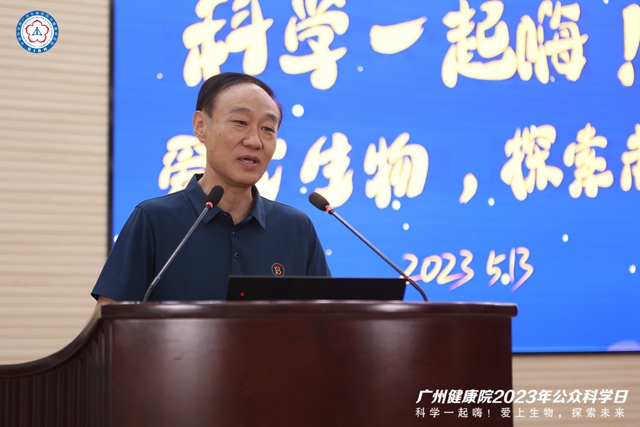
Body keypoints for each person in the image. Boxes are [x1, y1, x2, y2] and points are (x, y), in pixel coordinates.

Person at [92, 72, 330, 304]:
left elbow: (328, 321)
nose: (254, 141)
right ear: (200, 126)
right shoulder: (153, 220)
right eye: (240, 122)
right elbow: (109, 320)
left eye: (267, 129)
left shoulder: (296, 228)